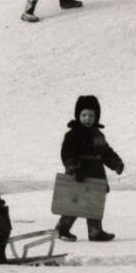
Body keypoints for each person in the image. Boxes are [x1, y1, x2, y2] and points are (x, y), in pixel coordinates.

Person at [55, 96, 124, 242]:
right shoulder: (73, 134)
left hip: (96, 173)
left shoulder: (98, 135)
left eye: (91, 115)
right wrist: (74, 169)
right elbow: (67, 154)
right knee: (74, 203)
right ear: (78, 116)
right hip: (79, 175)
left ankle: (95, 232)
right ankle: (62, 229)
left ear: (96, 117)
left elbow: (105, 152)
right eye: (84, 115)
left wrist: (116, 163)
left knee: (94, 203)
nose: (88, 118)